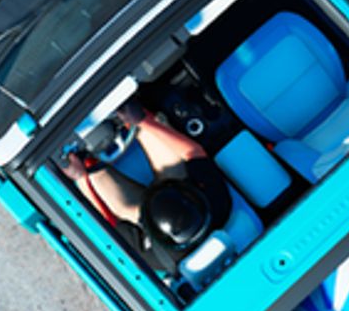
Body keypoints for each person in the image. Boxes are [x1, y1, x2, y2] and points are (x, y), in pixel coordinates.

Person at [62, 103, 231, 272]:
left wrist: (82, 179)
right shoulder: (219, 205)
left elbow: (111, 225)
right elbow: (193, 153)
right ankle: (127, 108)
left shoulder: (156, 259)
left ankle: (85, 160)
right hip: (176, 183)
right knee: (152, 128)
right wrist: (144, 121)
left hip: (146, 207)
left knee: (123, 208)